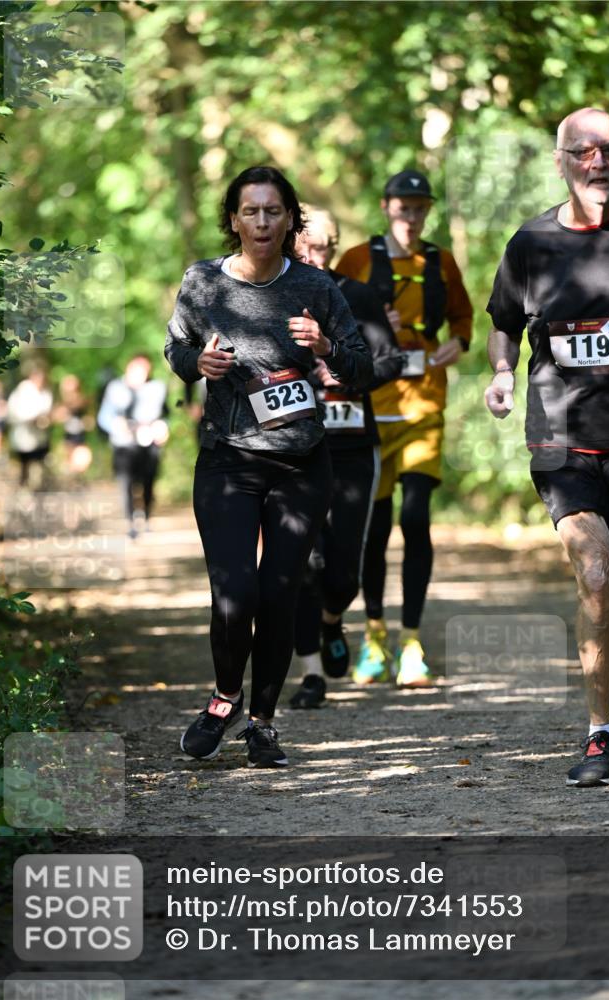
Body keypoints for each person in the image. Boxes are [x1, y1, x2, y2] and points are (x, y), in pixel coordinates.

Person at [165, 165, 372, 767]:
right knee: (235, 593)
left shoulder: (316, 287)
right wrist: (197, 361)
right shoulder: (204, 281)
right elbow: (176, 346)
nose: (261, 222)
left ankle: (263, 722)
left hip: (302, 464)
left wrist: (327, 348)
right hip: (228, 461)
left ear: (290, 220)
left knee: (280, 594)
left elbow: (362, 368)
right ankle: (224, 698)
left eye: (273, 211)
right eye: (250, 211)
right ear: (233, 220)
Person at [484, 108, 609, 787]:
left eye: (608, 149)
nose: (597, 162)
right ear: (561, 162)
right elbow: (501, 322)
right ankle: (597, 734)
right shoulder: (531, 244)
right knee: (596, 577)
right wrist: (497, 374)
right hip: (561, 441)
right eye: (583, 151)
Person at [337, 169, 473, 687]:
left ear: (427, 211)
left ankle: (411, 640)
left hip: (423, 405)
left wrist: (457, 342)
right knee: (374, 527)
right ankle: (373, 637)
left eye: (419, 208)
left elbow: (463, 319)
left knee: (416, 519)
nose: (411, 218)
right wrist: (370, 329)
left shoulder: (439, 261)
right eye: (402, 207)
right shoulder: (354, 260)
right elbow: (329, 317)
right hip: (371, 408)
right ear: (385, 206)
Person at [290, 206, 402, 708]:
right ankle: (310, 673)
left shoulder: (357, 297)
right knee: (301, 563)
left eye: (323, 248)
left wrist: (349, 372)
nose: (314, 257)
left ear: (335, 249)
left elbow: (392, 360)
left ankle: (333, 618)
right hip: (292, 446)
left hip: (354, 445)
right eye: (305, 248)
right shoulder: (277, 297)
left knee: (342, 573)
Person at [97, 355, 169, 538]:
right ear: (128, 368)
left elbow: (166, 414)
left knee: (149, 483)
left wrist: (163, 427)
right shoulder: (115, 388)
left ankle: (146, 518)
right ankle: (130, 523)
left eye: (144, 370)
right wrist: (115, 425)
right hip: (124, 444)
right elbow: (103, 417)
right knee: (126, 483)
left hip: (149, 443)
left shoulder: (158, 388)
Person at [6, 365, 53, 488]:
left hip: (40, 436)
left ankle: (36, 486)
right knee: (24, 463)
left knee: (38, 462)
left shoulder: (45, 393)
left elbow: (47, 411)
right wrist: (31, 418)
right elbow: (14, 412)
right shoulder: (22, 391)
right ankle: (24, 486)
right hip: (24, 436)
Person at [54, 374, 93, 476]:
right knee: (68, 466)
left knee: (81, 464)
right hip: (68, 439)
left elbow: (90, 421)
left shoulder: (84, 403)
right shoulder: (62, 404)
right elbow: (56, 417)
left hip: (81, 439)